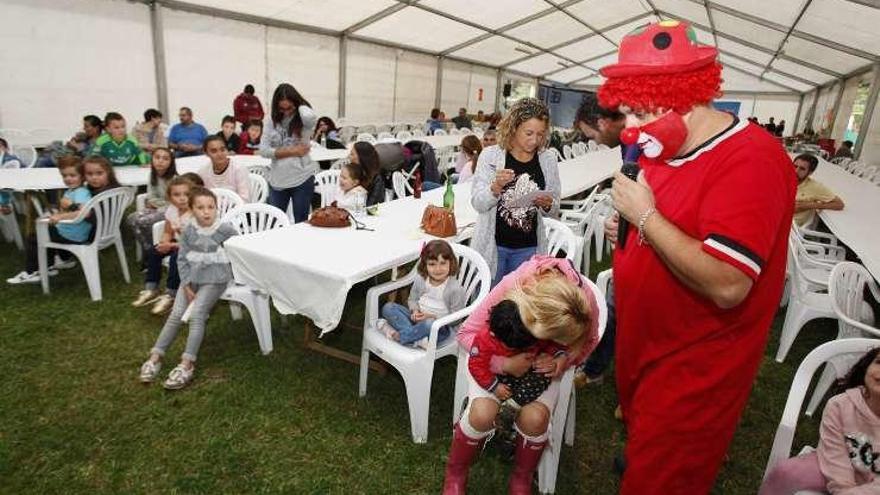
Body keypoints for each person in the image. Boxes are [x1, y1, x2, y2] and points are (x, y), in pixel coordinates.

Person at [597, 20, 795, 493]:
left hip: (694, 369)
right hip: (648, 350)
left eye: (639, 113)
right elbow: (673, 228)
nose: (631, 130)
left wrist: (645, 219)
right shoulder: (663, 149)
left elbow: (728, 283)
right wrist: (630, 232)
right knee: (649, 456)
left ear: (681, 95)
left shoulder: (751, 161)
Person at [443, 255, 600, 494]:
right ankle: (456, 472)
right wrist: (504, 364)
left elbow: (587, 342)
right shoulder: (513, 286)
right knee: (482, 414)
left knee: (535, 419)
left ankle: (522, 477)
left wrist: (562, 359)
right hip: (492, 364)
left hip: (538, 374)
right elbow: (465, 335)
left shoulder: (584, 302)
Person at [138, 187, 238, 390]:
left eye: (211, 207)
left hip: (215, 280)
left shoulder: (225, 230)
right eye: (200, 207)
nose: (206, 212)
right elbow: (182, 259)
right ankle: (155, 357)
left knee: (197, 315)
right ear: (192, 210)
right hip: (191, 280)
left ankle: (187, 364)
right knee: (175, 314)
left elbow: (240, 249)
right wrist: (185, 285)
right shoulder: (189, 231)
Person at [759, 346, 880, 494]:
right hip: (836, 468)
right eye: (879, 362)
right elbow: (835, 456)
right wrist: (844, 490)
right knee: (786, 472)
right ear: (867, 365)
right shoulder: (840, 405)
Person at [470, 97, 561, 286]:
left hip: (529, 247)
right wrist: (495, 188)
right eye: (528, 133)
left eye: (540, 134)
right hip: (493, 247)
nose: (534, 140)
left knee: (521, 304)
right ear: (513, 127)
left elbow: (554, 208)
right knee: (489, 304)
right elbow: (478, 202)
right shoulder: (490, 156)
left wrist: (548, 204)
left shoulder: (547, 159)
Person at [572, 94, 625, 388]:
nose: (593, 141)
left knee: (618, 310)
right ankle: (596, 369)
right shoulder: (627, 146)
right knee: (615, 308)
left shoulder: (637, 146)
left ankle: (606, 372)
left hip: (645, 249)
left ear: (603, 123)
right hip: (629, 242)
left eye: (590, 133)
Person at [8, 156, 120, 284]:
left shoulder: (87, 192)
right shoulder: (111, 189)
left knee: (37, 236)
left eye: (99, 173)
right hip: (101, 232)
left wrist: (62, 214)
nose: (94, 178)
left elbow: (86, 212)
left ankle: (32, 271)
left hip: (84, 235)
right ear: (84, 175)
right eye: (90, 174)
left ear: (109, 172)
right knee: (51, 230)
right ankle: (62, 260)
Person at [469, 299, 563, 407]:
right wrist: (494, 386)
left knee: (543, 375)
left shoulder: (534, 327)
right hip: (501, 377)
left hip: (530, 372)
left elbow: (550, 342)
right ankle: (507, 404)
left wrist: (552, 356)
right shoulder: (484, 338)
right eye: (511, 348)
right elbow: (476, 364)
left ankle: (513, 406)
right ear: (494, 334)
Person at [379, 240, 466, 348]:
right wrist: (415, 311)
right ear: (425, 265)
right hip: (417, 320)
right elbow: (412, 299)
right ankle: (417, 339)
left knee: (429, 323)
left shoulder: (455, 289)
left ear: (451, 263)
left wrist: (432, 317)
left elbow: (456, 318)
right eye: (432, 264)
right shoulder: (421, 280)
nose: (438, 269)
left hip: (439, 328)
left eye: (443, 263)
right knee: (388, 307)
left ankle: (400, 335)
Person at [131, 175, 194, 315]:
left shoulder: (194, 213)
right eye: (177, 195)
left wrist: (171, 246)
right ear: (170, 198)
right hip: (177, 243)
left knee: (175, 258)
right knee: (154, 251)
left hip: (194, 247)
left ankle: (171, 294)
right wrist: (165, 242)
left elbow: (192, 242)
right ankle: (151, 287)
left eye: (187, 194)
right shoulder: (172, 210)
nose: (182, 198)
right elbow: (167, 230)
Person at [259, 83, 317, 223]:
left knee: (301, 223)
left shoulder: (304, 120)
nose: (286, 112)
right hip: (277, 179)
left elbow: (310, 115)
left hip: (302, 177)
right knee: (274, 222)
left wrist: (301, 104)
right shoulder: (271, 121)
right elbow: (264, 150)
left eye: (289, 107)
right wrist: (293, 151)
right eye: (281, 108)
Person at [126, 147, 177, 258]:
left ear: (171, 162)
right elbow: (150, 196)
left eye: (165, 158)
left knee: (142, 221)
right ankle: (150, 250)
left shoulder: (174, 179)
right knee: (131, 218)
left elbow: (175, 203)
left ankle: (152, 254)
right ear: (152, 159)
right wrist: (156, 203)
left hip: (170, 212)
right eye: (157, 157)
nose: (160, 161)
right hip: (158, 208)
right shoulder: (152, 175)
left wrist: (156, 205)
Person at [793, 153, 844, 226]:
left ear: (810, 172)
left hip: (791, 228)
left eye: (802, 169)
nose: (796, 171)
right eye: (795, 166)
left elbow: (839, 204)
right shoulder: (782, 180)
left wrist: (807, 205)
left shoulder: (815, 187)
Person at [198, 135, 250, 201]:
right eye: (214, 151)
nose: (220, 154)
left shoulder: (238, 169)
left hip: (238, 209)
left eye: (223, 149)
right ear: (206, 153)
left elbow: (245, 198)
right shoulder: (203, 172)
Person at [349, 142, 385, 206]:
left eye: (352, 154)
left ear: (362, 157)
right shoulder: (352, 172)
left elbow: (372, 205)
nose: (349, 157)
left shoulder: (376, 179)